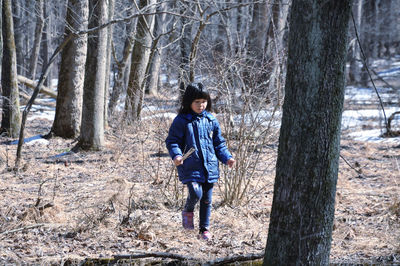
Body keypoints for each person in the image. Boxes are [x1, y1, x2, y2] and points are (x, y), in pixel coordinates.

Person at [165, 82, 235, 241]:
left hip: (209, 167)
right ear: (188, 102)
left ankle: (204, 229)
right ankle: (188, 211)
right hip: (190, 166)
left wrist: (227, 158)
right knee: (196, 193)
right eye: (197, 102)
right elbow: (172, 141)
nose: (201, 105)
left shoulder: (211, 120)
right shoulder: (181, 120)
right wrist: (176, 155)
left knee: (207, 199)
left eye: (203, 101)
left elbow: (219, 143)